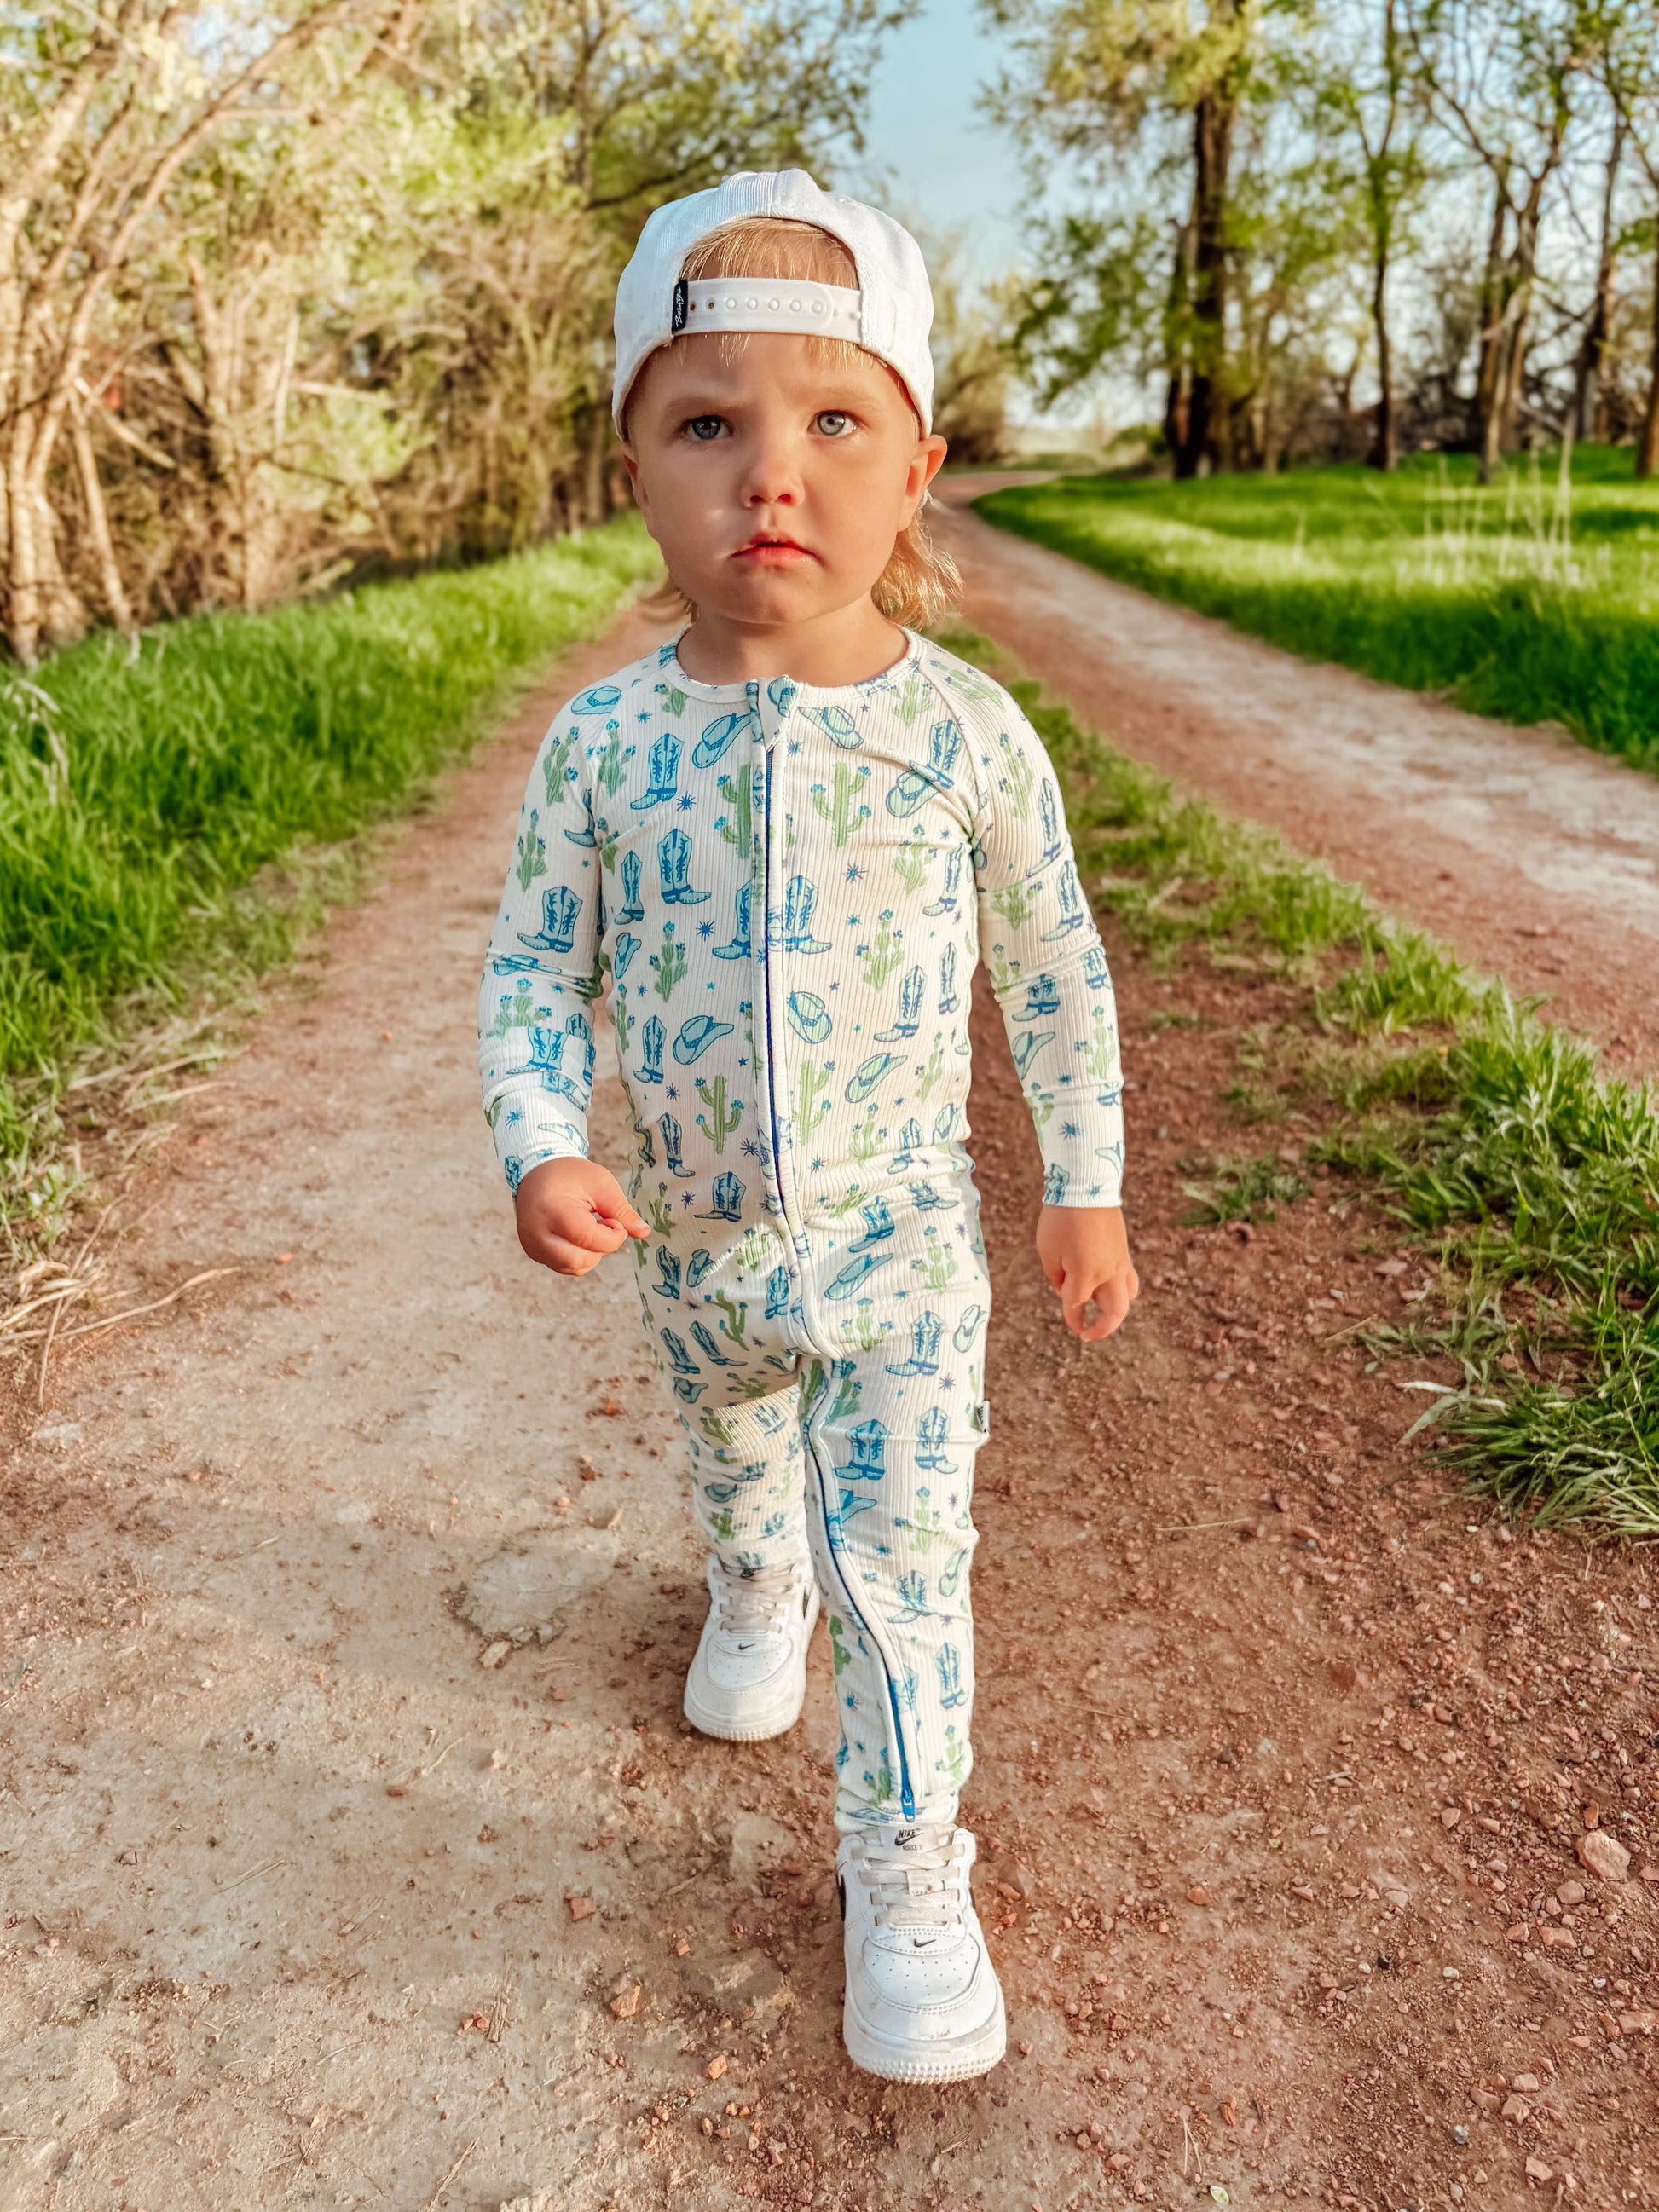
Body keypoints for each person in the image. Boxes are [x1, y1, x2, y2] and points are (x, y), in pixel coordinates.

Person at [477, 168, 1138, 2083]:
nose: (772, 471)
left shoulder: (961, 734)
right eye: (708, 424)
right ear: (632, 465)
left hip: (904, 1254)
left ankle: (905, 1866)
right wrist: (541, 1140)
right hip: (694, 1251)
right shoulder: (606, 747)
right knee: (737, 1452)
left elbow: (1054, 965)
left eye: (833, 420)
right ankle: (753, 1578)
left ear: (916, 467)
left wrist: (1083, 1182)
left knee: (910, 1570)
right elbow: (532, 972)